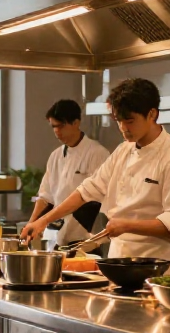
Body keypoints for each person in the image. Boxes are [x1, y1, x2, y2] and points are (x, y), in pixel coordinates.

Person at [22, 79, 170, 273]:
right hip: (118, 262)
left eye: (129, 120)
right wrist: (43, 221)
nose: (123, 127)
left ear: (152, 114)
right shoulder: (124, 150)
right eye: (118, 121)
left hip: (158, 268)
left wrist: (126, 225)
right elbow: (87, 190)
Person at [27, 99, 110, 247]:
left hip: (85, 239)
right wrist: (32, 224)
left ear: (76, 123)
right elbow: (46, 197)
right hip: (56, 237)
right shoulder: (55, 156)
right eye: (54, 127)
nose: (57, 131)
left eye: (61, 126)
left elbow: (94, 197)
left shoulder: (97, 153)